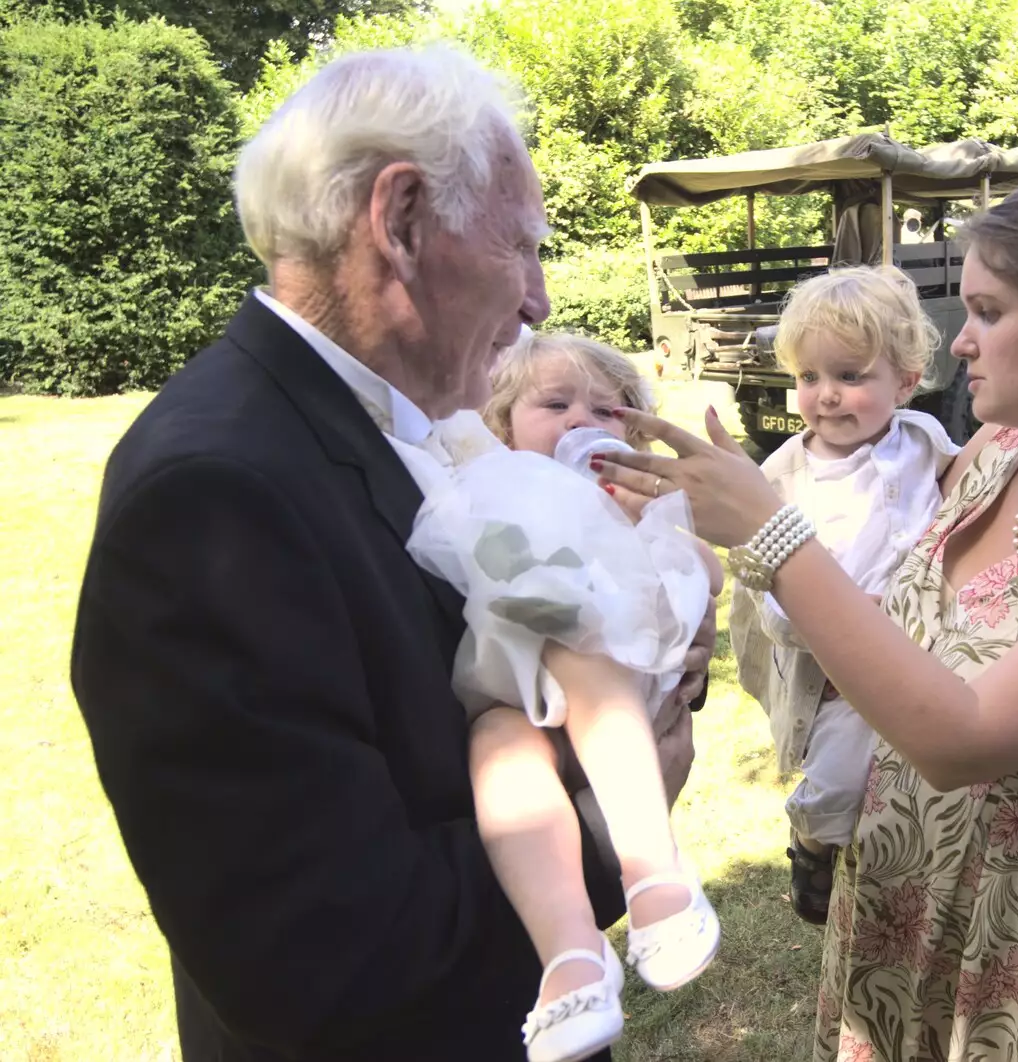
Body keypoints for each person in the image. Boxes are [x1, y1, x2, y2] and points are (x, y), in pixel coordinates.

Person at [69, 45, 714, 1062]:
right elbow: (317, 957)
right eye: (523, 249)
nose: (541, 302)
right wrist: (606, 835)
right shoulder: (209, 499)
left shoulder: (421, 422)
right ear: (402, 221)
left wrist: (648, 645)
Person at [595, 171, 1018, 1061]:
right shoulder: (1000, 451)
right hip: (904, 881)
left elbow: (964, 737)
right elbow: (878, 604)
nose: (960, 345)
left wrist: (771, 533)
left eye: (989, 313)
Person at [406, 329, 724, 1062]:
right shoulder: (493, 488)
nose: (585, 420)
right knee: (497, 744)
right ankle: (570, 954)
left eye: (610, 412)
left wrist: (651, 518)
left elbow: (702, 569)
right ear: (503, 428)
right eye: (556, 404)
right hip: (513, 696)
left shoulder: (632, 505)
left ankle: (653, 874)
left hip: (608, 671)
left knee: (579, 653)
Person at [729, 266, 960, 925]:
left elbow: (978, 484)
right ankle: (812, 841)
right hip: (832, 666)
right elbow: (757, 573)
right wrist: (810, 618)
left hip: (922, 650)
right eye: (809, 378)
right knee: (840, 779)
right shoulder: (786, 474)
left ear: (907, 382)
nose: (825, 396)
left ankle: (905, 879)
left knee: (916, 777)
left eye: (849, 377)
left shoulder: (924, 444)